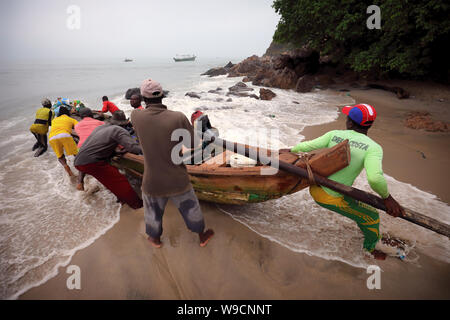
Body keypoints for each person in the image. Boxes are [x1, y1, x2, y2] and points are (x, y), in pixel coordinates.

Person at [288, 104, 405, 260]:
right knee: (372, 216)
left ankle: (367, 230)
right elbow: (375, 178)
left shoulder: (334, 134)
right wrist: (387, 197)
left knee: (361, 208)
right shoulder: (373, 148)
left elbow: (305, 146)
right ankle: (369, 249)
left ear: (350, 123)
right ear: (370, 124)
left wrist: (290, 151)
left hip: (318, 187)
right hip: (330, 195)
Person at [131, 78, 214, 248]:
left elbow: (138, 120)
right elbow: (192, 145)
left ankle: (155, 239)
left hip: (152, 180)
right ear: (162, 95)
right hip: (177, 178)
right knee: (191, 209)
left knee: (153, 213)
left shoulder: (136, 116)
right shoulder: (178, 117)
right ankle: (202, 236)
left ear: (143, 99)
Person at [74, 119, 143, 209]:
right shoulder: (118, 129)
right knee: (120, 181)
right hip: (92, 162)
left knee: (111, 180)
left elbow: (102, 145)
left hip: (79, 161)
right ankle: (137, 205)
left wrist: (116, 153)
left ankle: (121, 199)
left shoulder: (100, 128)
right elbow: (133, 148)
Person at [73, 108, 105, 191]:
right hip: (96, 146)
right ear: (91, 114)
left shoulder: (77, 125)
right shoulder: (99, 122)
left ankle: (80, 182)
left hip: (81, 148)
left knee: (83, 163)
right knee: (104, 163)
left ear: (80, 116)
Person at [48, 107, 79, 177]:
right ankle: (80, 167)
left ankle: (67, 168)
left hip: (52, 138)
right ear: (67, 112)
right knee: (76, 153)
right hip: (64, 135)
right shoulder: (71, 119)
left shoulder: (54, 120)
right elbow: (78, 127)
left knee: (60, 155)